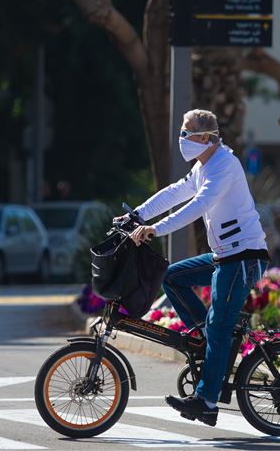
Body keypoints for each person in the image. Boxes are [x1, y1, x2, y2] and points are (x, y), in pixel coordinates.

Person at [115, 109, 268, 427]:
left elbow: (199, 204)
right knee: (172, 276)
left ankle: (207, 401)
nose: (181, 139)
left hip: (244, 257)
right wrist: (138, 216)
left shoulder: (224, 166)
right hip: (224, 256)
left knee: (219, 327)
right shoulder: (203, 166)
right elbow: (175, 192)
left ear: (206, 138)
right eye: (181, 132)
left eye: (187, 133)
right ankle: (205, 343)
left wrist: (156, 229)